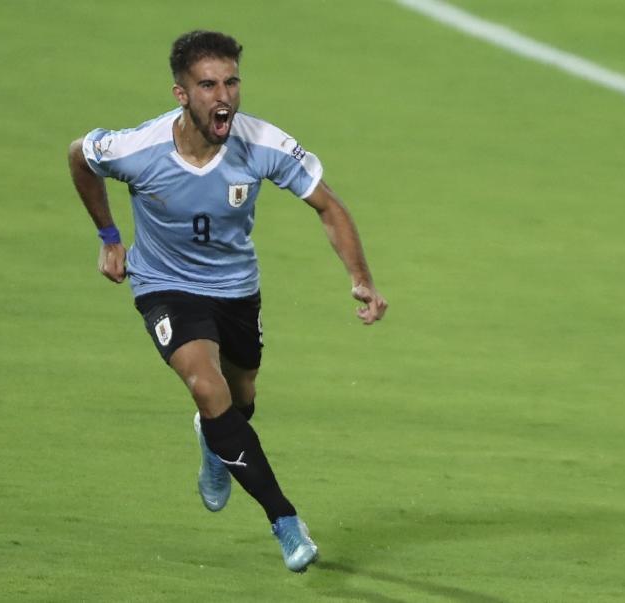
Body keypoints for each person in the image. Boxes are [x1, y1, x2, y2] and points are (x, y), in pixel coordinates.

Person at [68, 30, 388, 573]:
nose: (224, 97)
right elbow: (80, 156)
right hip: (164, 285)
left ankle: (213, 439)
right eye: (208, 84)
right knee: (206, 385)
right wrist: (108, 237)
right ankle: (286, 522)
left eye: (232, 82)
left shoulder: (262, 143)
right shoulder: (139, 150)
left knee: (240, 399)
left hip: (236, 289)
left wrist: (361, 277)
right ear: (181, 93)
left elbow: (328, 206)